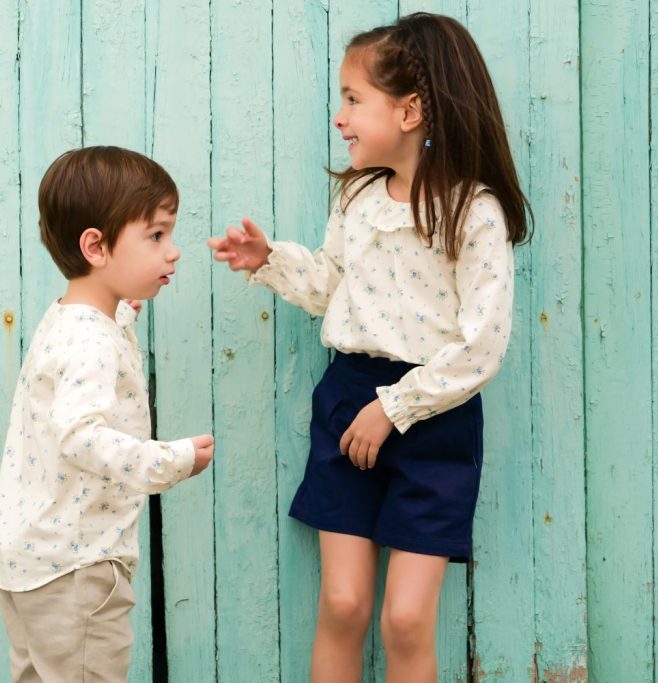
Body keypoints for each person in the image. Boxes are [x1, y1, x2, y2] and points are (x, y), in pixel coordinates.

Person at [208, 12, 531, 682]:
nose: (340, 117)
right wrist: (270, 259)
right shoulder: (357, 200)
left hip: (432, 415)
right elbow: (336, 287)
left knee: (406, 619)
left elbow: (481, 346)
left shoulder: (475, 213)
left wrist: (395, 407)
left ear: (410, 111)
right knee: (345, 601)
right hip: (348, 399)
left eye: (353, 99)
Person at [0, 145, 214, 683]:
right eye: (156, 235)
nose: (173, 251)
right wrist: (169, 461)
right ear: (96, 246)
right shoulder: (92, 341)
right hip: (77, 567)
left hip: (30, 561)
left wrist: (125, 312)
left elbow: (88, 365)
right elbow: (81, 436)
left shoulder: (72, 319)